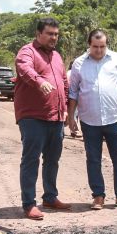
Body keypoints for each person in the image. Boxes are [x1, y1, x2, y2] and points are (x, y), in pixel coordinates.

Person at [68, 29, 117, 211]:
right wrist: (70, 116)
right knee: (93, 159)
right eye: (95, 47)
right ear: (88, 45)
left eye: (102, 46)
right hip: (89, 120)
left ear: (107, 44)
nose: (99, 50)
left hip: (115, 118)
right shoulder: (79, 64)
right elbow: (73, 93)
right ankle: (98, 196)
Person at [14, 17, 71, 220]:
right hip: (32, 116)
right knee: (31, 159)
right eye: (49, 33)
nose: (53, 37)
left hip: (55, 116)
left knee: (52, 159)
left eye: (56, 34)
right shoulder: (27, 51)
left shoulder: (57, 56)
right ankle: (29, 204)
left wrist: (64, 109)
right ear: (38, 34)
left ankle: (50, 197)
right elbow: (24, 68)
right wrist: (39, 81)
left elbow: (64, 82)